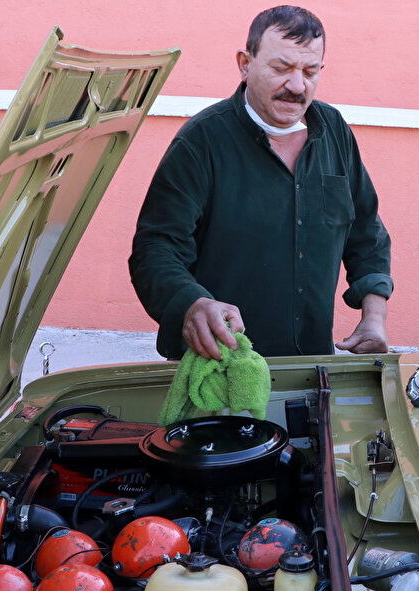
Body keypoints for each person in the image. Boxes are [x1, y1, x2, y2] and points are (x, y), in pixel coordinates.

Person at [130, 5, 393, 360]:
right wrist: (193, 304)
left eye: (309, 71)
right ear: (245, 63)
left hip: (310, 367)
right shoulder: (200, 141)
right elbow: (155, 250)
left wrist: (374, 317)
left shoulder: (334, 131)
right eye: (281, 68)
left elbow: (367, 232)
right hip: (215, 367)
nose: (297, 85)